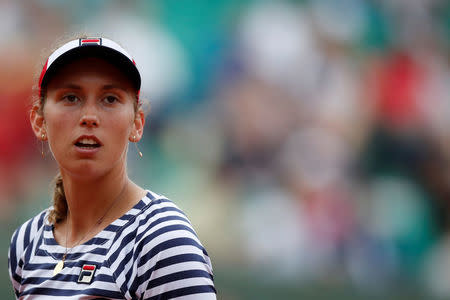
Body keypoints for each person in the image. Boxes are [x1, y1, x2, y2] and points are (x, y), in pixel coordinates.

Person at [8, 37, 216, 299]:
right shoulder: (26, 242)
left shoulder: (162, 237)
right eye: (71, 97)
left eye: (110, 99)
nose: (89, 117)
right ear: (39, 121)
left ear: (137, 123)